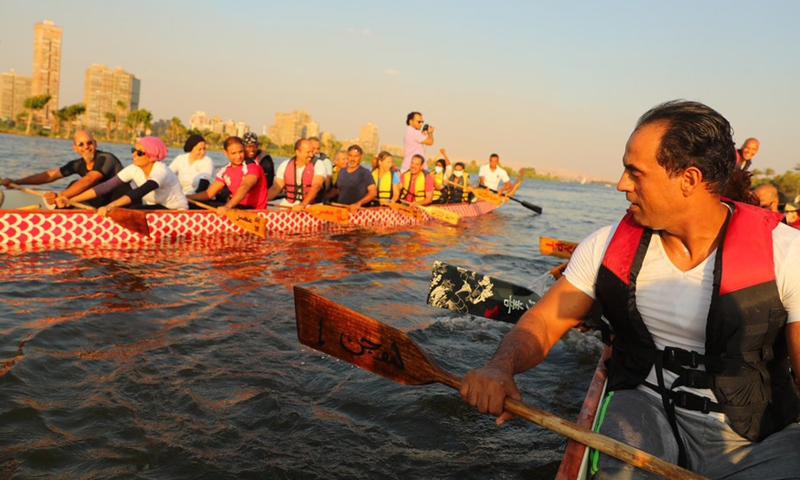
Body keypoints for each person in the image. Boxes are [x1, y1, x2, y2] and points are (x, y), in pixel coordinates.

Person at [460, 100, 800, 478]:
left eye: (634, 172)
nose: (622, 184)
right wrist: (499, 367)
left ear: (688, 179)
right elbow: (540, 323)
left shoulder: (787, 255)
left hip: (757, 435)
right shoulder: (604, 246)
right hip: (646, 408)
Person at [1, 130, 131, 208]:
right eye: (81, 144)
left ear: (95, 144)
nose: (86, 147)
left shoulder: (106, 159)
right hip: (103, 205)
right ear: (75, 148)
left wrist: (60, 196)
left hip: (124, 204)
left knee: (74, 185)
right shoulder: (77, 164)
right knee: (72, 189)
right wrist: (17, 182)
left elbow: (90, 179)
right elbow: (49, 175)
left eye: (89, 143)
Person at [56, 136, 187, 214]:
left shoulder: (161, 171)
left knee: (131, 208)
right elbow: (105, 187)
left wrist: (111, 206)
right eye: (133, 150)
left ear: (152, 157)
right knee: (127, 208)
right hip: (158, 207)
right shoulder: (133, 169)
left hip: (176, 211)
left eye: (139, 152)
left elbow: (140, 192)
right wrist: (71, 200)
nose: (133, 154)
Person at [188, 136, 268, 215]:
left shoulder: (252, 166)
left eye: (241, 152)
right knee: (192, 203)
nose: (238, 156)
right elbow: (209, 194)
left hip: (253, 211)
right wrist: (186, 197)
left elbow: (245, 186)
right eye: (234, 153)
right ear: (226, 153)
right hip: (236, 207)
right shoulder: (224, 170)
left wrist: (228, 206)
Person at [269, 138, 326, 212]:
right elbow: (275, 189)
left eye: (312, 152)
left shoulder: (319, 164)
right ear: (297, 152)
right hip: (290, 203)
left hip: (311, 205)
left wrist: (303, 204)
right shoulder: (285, 165)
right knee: (265, 206)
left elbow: (316, 186)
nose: (311, 155)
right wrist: (260, 202)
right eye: (308, 152)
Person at [328, 145, 376, 212]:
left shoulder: (365, 173)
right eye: (350, 155)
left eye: (356, 156)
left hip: (357, 213)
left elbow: (373, 192)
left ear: (361, 157)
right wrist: (324, 197)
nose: (352, 159)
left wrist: (358, 203)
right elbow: (336, 190)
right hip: (341, 211)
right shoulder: (342, 171)